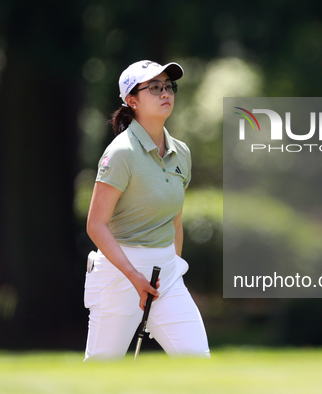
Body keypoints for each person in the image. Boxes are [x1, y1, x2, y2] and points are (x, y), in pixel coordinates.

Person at [83, 60, 210, 360]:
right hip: (119, 275)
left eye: (168, 86)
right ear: (132, 100)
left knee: (198, 362)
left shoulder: (182, 152)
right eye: (154, 87)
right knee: (100, 374)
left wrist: (175, 267)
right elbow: (96, 225)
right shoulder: (121, 153)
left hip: (166, 274)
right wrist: (133, 276)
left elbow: (174, 222)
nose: (165, 92)